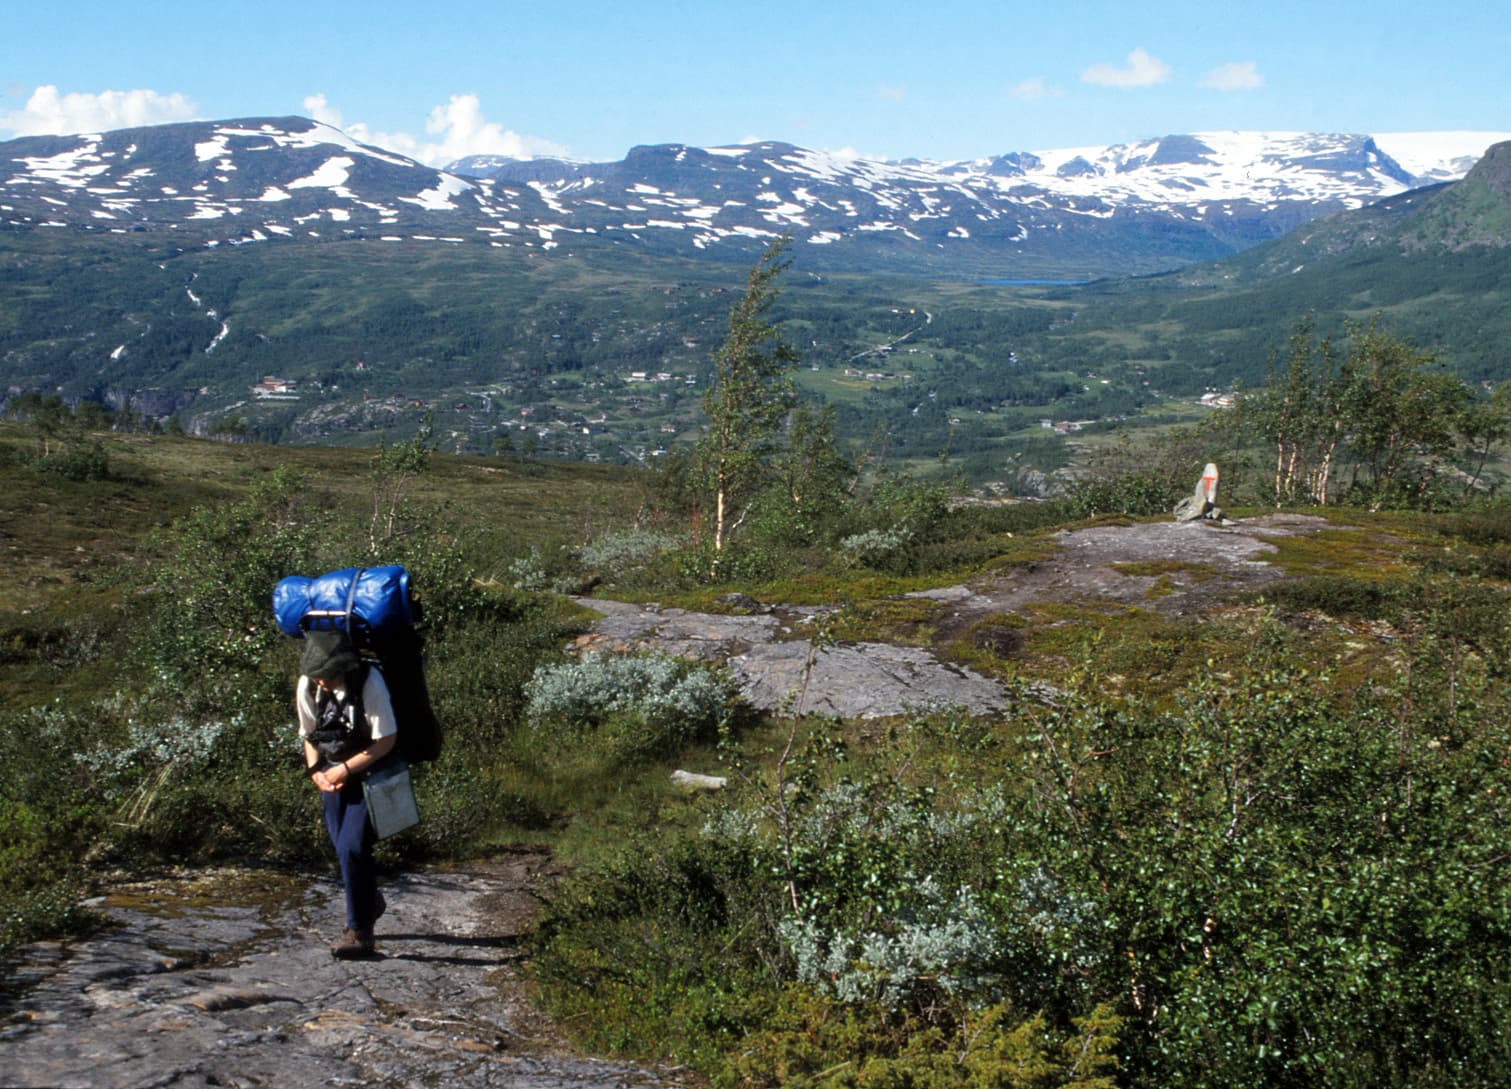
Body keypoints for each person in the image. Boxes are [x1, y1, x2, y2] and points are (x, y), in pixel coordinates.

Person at [296, 629, 397, 959]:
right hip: (332, 775)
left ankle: (360, 933)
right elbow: (310, 736)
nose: (322, 682)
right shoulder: (308, 684)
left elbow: (386, 741)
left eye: (327, 675)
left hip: (371, 773)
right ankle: (370, 902)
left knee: (353, 846)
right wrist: (317, 774)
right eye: (317, 676)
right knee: (344, 850)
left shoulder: (370, 682)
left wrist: (345, 770)